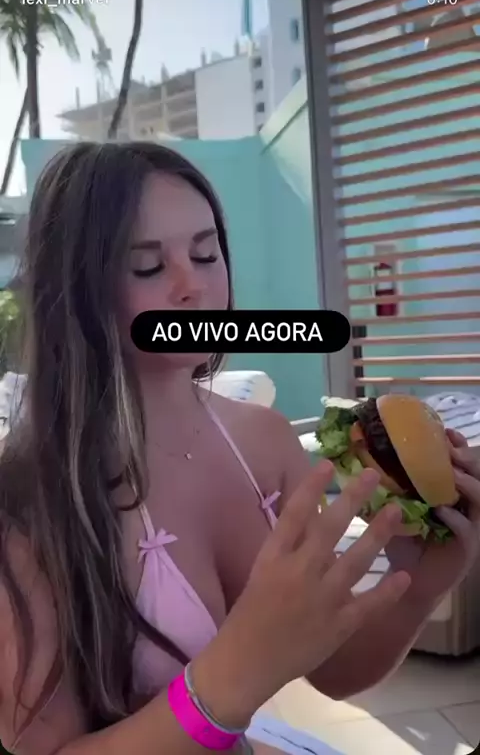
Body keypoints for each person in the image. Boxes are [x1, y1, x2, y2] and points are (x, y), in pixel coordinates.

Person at [0, 141, 479, 755]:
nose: (193, 287)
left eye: (207, 253)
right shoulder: (29, 499)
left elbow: (332, 671)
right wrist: (230, 678)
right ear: (76, 291)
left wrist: (418, 585)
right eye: (147, 266)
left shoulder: (264, 440)